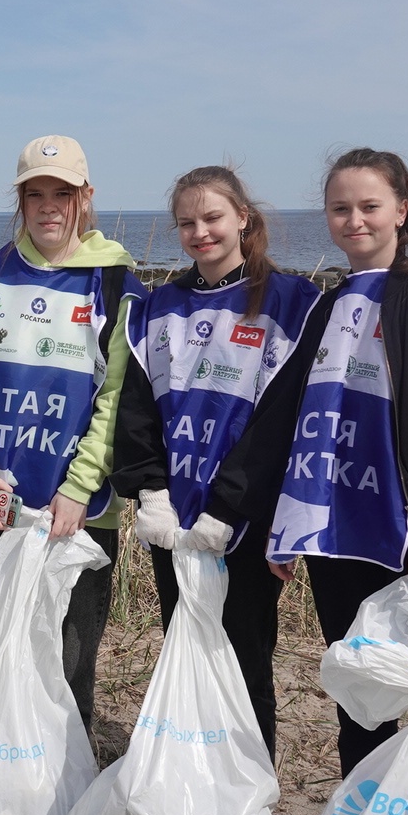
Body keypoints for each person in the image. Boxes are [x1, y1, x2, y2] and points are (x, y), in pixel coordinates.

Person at [226, 148, 408, 778]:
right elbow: (291, 421)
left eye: (369, 206)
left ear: (401, 210)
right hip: (339, 534)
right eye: (340, 209)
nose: (355, 221)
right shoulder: (329, 304)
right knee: (359, 699)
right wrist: (286, 525)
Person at [109, 166, 323, 760]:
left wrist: (231, 505)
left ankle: (248, 783)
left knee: (243, 651)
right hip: (174, 517)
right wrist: (149, 493)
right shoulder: (160, 307)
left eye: (212, 218)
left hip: (242, 522)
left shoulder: (292, 302)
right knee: (182, 644)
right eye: (187, 222)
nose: (200, 232)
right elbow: (136, 409)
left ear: (242, 218)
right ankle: (186, 770)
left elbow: (282, 422)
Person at [0, 135, 143, 732]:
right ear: (21, 201)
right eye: (36, 194)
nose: (49, 206)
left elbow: (114, 402)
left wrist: (79, 488)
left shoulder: (115, 283)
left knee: (66, 671)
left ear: (85, 197)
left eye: (62, 192)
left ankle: (59, 809)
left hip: (78, 515)